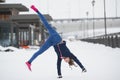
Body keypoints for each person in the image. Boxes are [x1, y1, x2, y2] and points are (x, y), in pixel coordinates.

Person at [25, 5, 87, 78]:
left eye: (65, 61)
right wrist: (82, 68)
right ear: (69, 58)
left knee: (40, 51)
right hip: (57, 38)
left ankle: (29, 62)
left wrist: (59, 75)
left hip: (52, 42)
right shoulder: (70, 54)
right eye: (67, 61)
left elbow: (58, 65)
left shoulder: (60, 57)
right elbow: (76, 60)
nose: (65, 60)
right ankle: (36, 10)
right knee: (46, 24)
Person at [25, 5, 62, 71]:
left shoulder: (52, 31)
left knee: (39, 52)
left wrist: (37, 11)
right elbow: (44, 21)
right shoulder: (53, 33)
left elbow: (44, 21)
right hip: (55, 42)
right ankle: (29, 62)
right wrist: (37, 11)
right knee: (40, 52)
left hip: (55, 42)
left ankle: (29, 62)